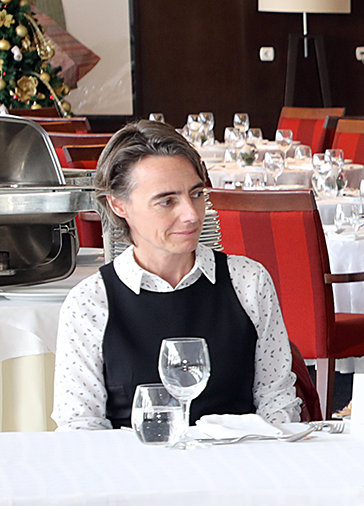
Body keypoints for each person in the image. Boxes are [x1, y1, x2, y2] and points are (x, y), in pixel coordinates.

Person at [52, 121, 298, 430]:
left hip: (239, 457)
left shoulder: (248, 281)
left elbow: (277, 400)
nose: (192, 214)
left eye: (196, 194)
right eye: (167, 201)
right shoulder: (90, 302)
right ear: (118, 205)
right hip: (134, 460)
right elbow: (80, 425)